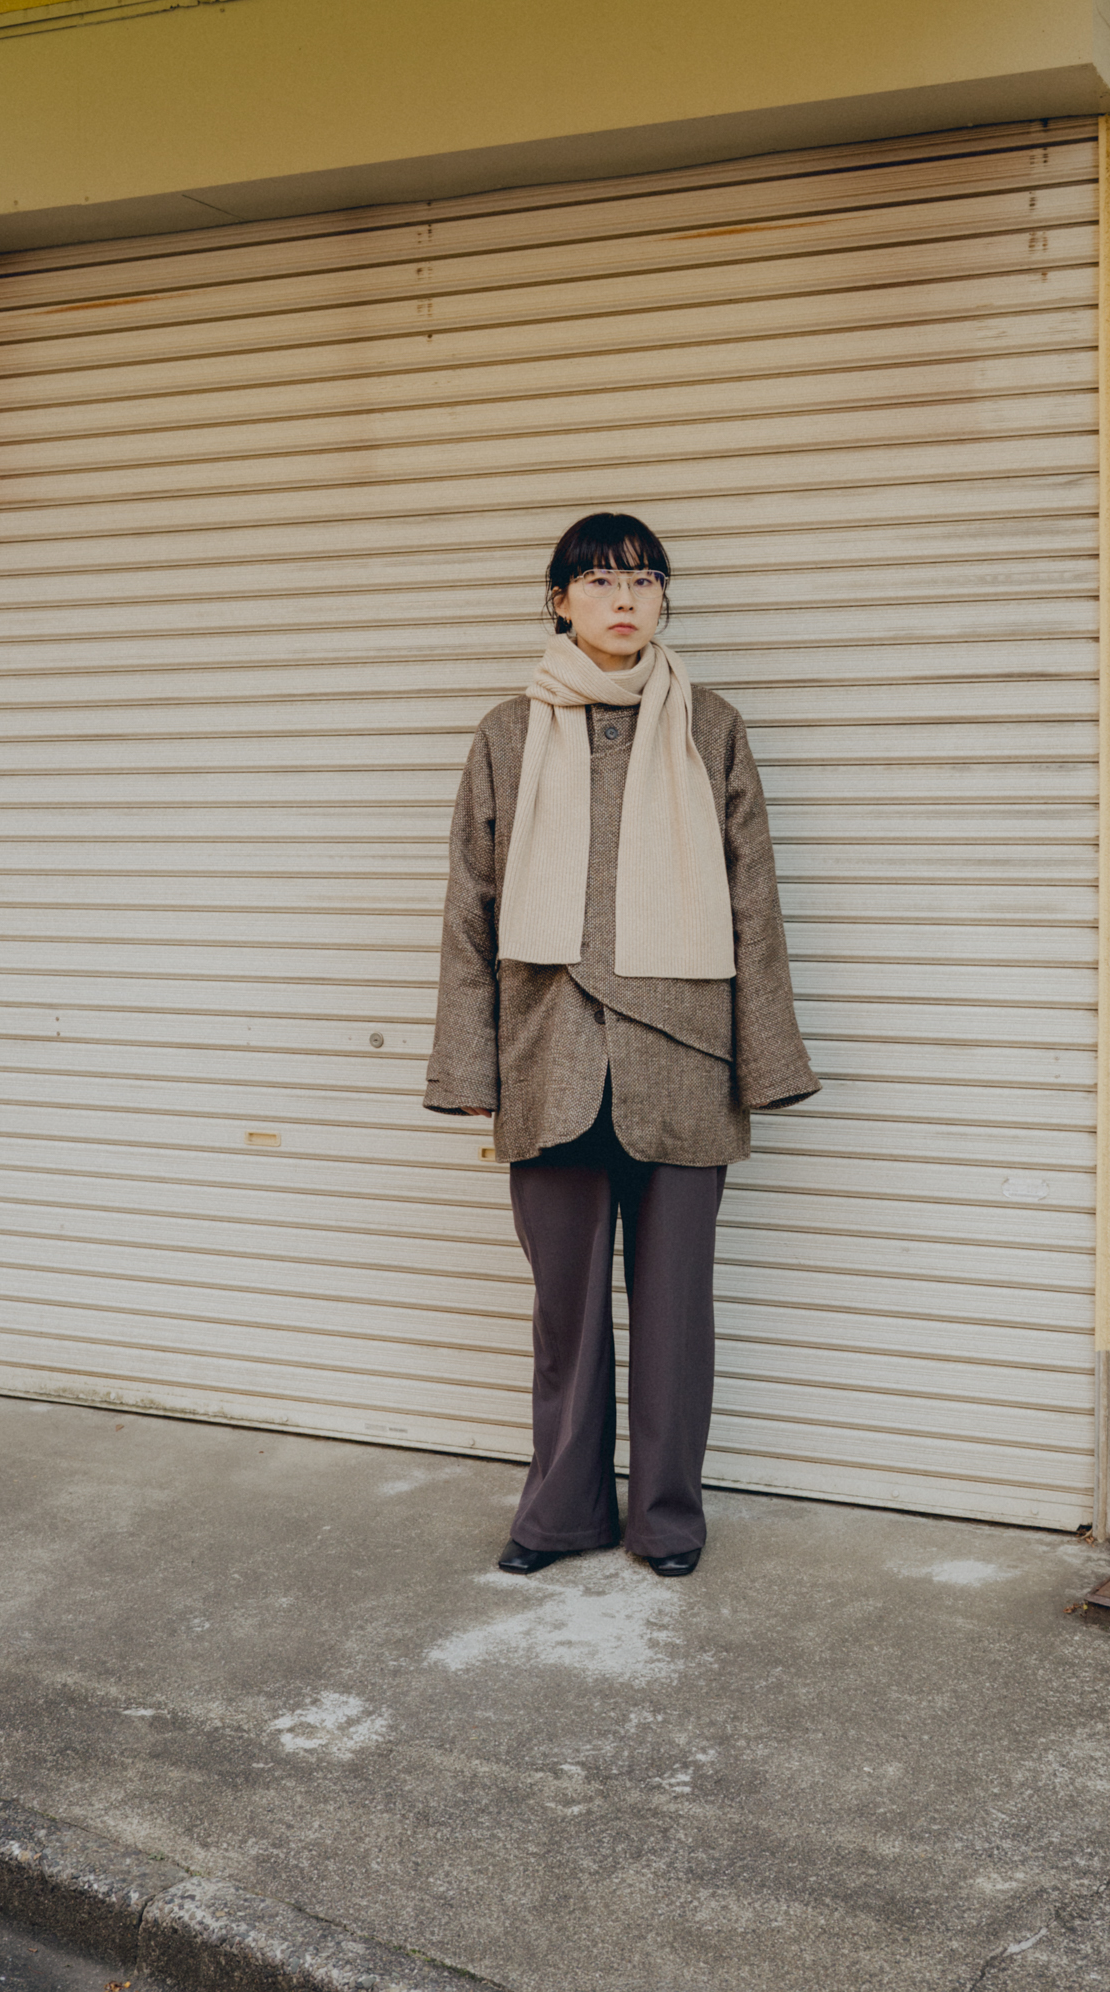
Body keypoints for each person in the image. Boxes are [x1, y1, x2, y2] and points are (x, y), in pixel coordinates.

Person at [424, 513, 818, 1577]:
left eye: (644, 578)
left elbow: (753, 903)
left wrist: (764, 1061)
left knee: (676, 1317)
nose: (625, 598)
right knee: (566, 1315)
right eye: (599, 579)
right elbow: (470, 904)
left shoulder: (710, 727)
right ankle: (559, 1515)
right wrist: (469, 1064)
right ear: (559, 600)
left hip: (682, 1064)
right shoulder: (508, 733)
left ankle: (668, 1520)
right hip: (549, 1058)